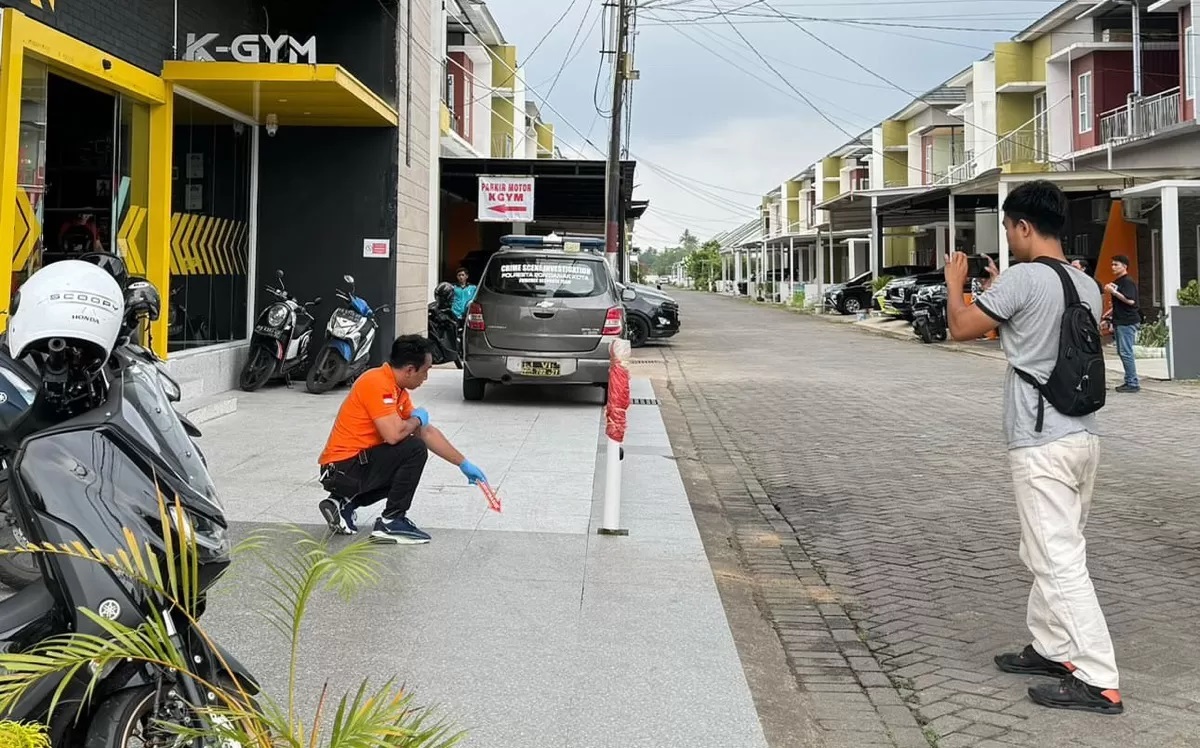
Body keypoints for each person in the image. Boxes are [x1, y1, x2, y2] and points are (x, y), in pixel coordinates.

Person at [942, 180, 1122, 716]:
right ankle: (1053, 648)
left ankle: (1098, 677)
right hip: (1083, 436)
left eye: (1007, 228)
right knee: (1049, 549)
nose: (1007, 238)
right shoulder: (1085, 284)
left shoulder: (1021, 279)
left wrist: (958, 284)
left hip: (1041, 442)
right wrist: (1005, 288)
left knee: (1056, 558)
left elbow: (960, 327)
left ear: (1023, 226)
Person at [316, 335, 488, 544]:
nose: (426, 377)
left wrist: (463, 463)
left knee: (404, 470)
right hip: (342, 468)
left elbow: (426, 432)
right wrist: (416, 419)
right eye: (426, 371)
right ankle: (391, 522)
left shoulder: (397, 390)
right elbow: (394, 434)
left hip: (350, 467)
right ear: (409, 370)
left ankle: (343, 503)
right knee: (413, 449)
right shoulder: (377, 382)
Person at [1105, 255, 1140, 393]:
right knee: (1122, 351)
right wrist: (1108, 314)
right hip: (1120, 320)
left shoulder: (1127, 282)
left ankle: (1132, 382)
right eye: (1112, 264)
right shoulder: (1118, 281)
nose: (1113, 267)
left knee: (1126, 352)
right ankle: (1129, 380)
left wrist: (1114, 292)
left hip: (1127, 321)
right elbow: (1120, 302)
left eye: (1116, 265)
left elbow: (1130, 301)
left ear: (1124, 266)